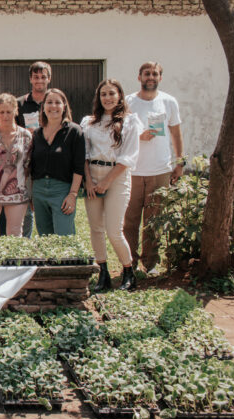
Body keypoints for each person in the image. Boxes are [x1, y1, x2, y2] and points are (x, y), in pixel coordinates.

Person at [123, 61, 185, 276]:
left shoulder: (169, 102)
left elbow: (176, 134)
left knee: (154, 220)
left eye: (155, 74)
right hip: (132, 170)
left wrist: (179, 162)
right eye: (147, 73)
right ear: (139, 77)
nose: (151, 77)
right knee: (129, 221)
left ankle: (150, 264)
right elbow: (119, 133)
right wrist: (137, 137)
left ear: (160, 77)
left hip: (160, 170)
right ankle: (128, 263)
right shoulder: (128, 102)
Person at [82, 79, 143, 291]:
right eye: (103, 94)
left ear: (120, 96)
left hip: (116, 177)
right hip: (93, 176)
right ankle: (103, 273)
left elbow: (128, 157)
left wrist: (107, 182)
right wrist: (89, 181)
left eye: (111, 93)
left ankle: (128, 271)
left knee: (114, 230)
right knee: (96, 229)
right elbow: (84, 153)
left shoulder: (130, 121)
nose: (107, 98)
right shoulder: (89, 122)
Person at [30, 88, 85, 236]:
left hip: (62, 190)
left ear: (64, 106)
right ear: (43, 107)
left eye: (57, 102)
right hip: (39, 190)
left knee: (64, 237)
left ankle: (68, 261)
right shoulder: (37, 133)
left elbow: (79, 167)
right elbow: (32, 167)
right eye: (49, 102)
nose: (53, 106)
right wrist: (31, 194)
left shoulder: (74, 131)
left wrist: (73, 194)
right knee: (45, 238)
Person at [0, 94, 33, 236]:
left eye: (9, 112)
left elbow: (28, 165)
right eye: (1, 112)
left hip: (17, 192)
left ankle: (13, 259)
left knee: (15, 233)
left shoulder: (25, 136)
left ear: (15, 111)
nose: (5, 116)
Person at [13, 61, 52, 238]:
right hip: (25, 161)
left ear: (49, 79)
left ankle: (49, 245)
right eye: (36, 77)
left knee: (46, 205)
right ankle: (25, 246)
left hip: (48, 161)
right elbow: (10, 130)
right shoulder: (19, 103)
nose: (39, 81)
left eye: (43, 77)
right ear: (30, 79)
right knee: (26, 207)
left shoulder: (54, 102)